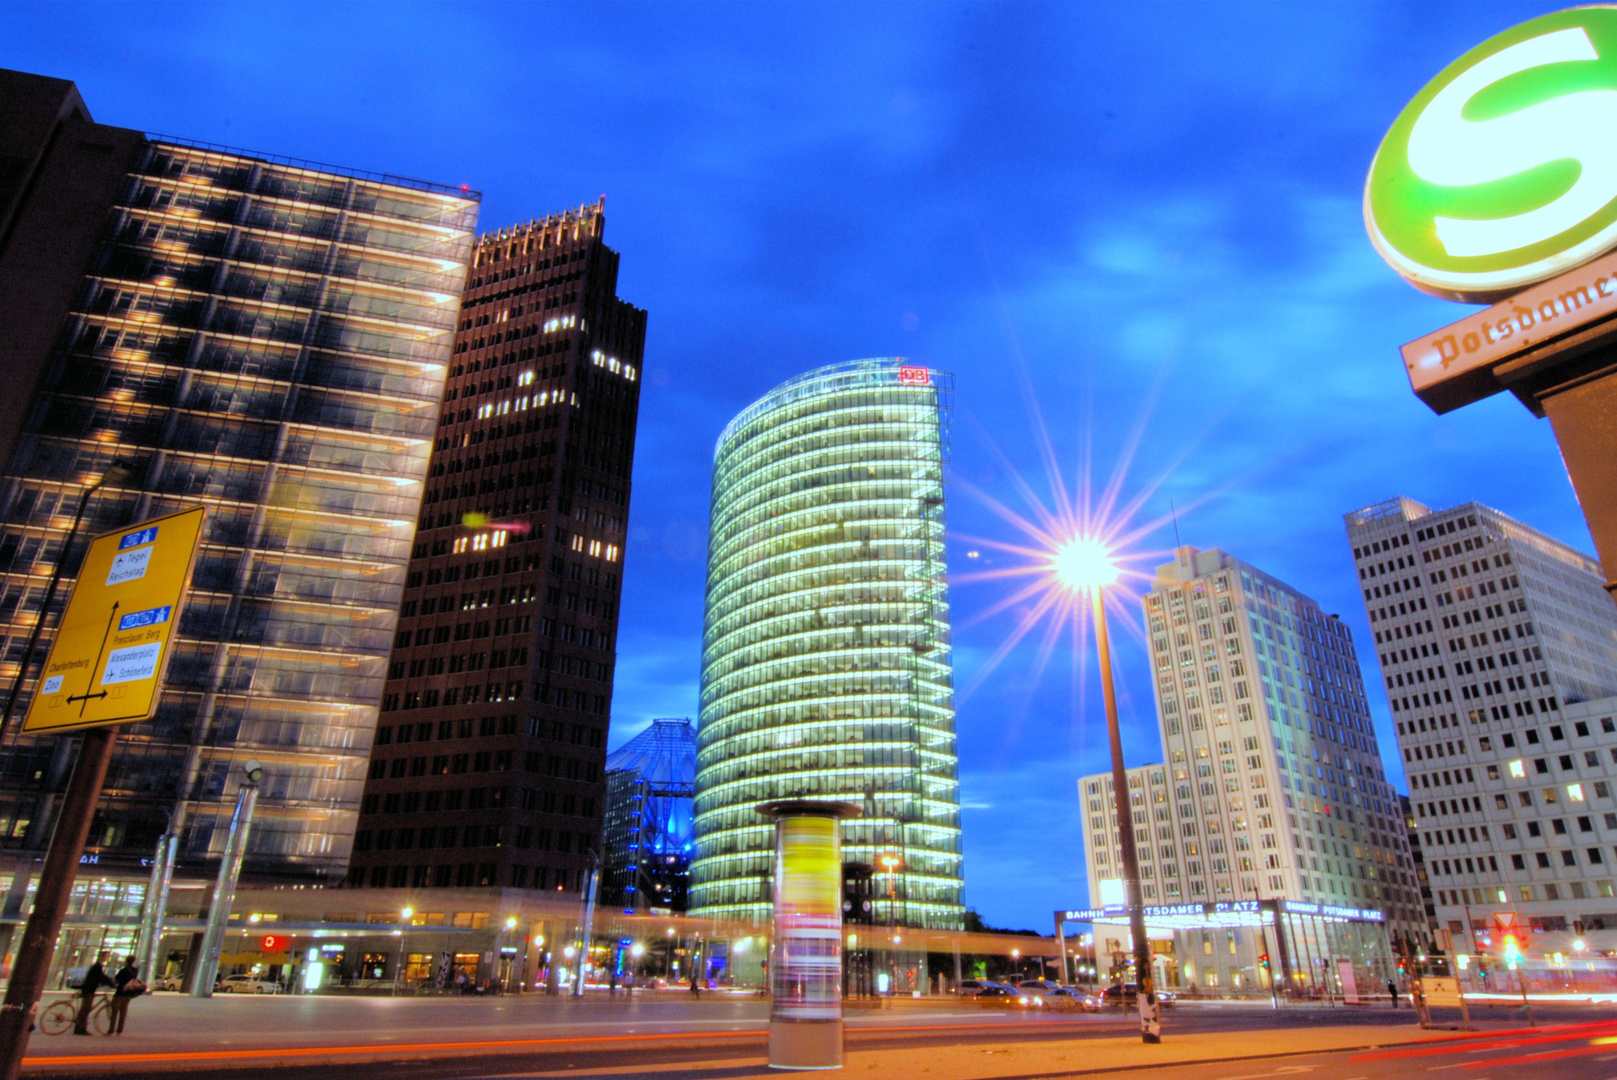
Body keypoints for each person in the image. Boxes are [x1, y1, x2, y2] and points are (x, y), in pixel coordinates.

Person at [75, 950, 113, 1035]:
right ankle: (80, 1028)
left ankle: (78, 1027)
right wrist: (111, 983)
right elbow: (101, 977)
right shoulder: (97, 967)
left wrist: (109, 982)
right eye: (107, 956)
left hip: (88, 989)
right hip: (89, 990)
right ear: (102, 957)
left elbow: (102, 977)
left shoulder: (97, 966)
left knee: (85, 1008)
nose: (107, 958)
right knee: (86, 1008)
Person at [109, 957, 142, 1035]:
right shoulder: (135, 971)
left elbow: (116, 979)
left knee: (114, 1011)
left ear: (126, 961)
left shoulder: (123, 970)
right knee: (123, 1012)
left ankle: (111, 1030)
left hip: (120, 993)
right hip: (128, 994)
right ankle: (119, 1030)